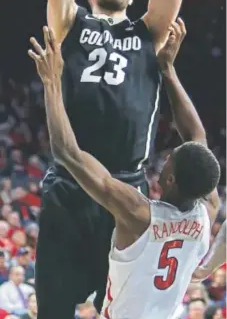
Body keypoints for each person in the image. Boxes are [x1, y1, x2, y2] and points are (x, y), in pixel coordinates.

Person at [25, 0, 186, 317]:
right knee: (53, 309)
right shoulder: (70, 22)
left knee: (124, 310)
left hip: (125, 189)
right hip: (69, 184)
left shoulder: (148, 33)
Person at [28, 23, 220, 319]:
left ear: (169, 178)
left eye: (171, 156)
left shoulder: (140, 214)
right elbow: (198, 139)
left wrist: (52, 83)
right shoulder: (208, 211)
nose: (167, 155)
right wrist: (167, 69)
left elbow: (68, 153)